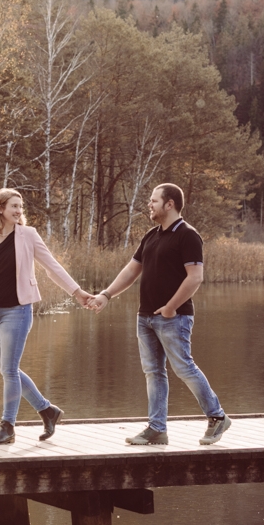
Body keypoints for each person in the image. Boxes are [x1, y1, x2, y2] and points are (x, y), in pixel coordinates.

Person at [90, 182, 231, 446]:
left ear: (170, 204)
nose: (149, 205)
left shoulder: (188, 235)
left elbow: (195, 277)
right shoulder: (151, 236)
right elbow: (131, 270)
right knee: (153, 372)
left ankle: (217, 416)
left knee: (184, 367)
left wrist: (171, 307)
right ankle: (157, 429)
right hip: (145, 317)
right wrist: (106, 295)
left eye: (154, 200)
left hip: (174, 317)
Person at [0, 188, 93, 445]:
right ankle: (47, 411)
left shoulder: (28, 235)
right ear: (0, 208)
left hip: (18, 310)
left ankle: (7, 426)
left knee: (9, 370)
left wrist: (77, 292)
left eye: (21, 207)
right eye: (14, 206)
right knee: (7, 369)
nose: (19, 211)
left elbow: (52, 266)